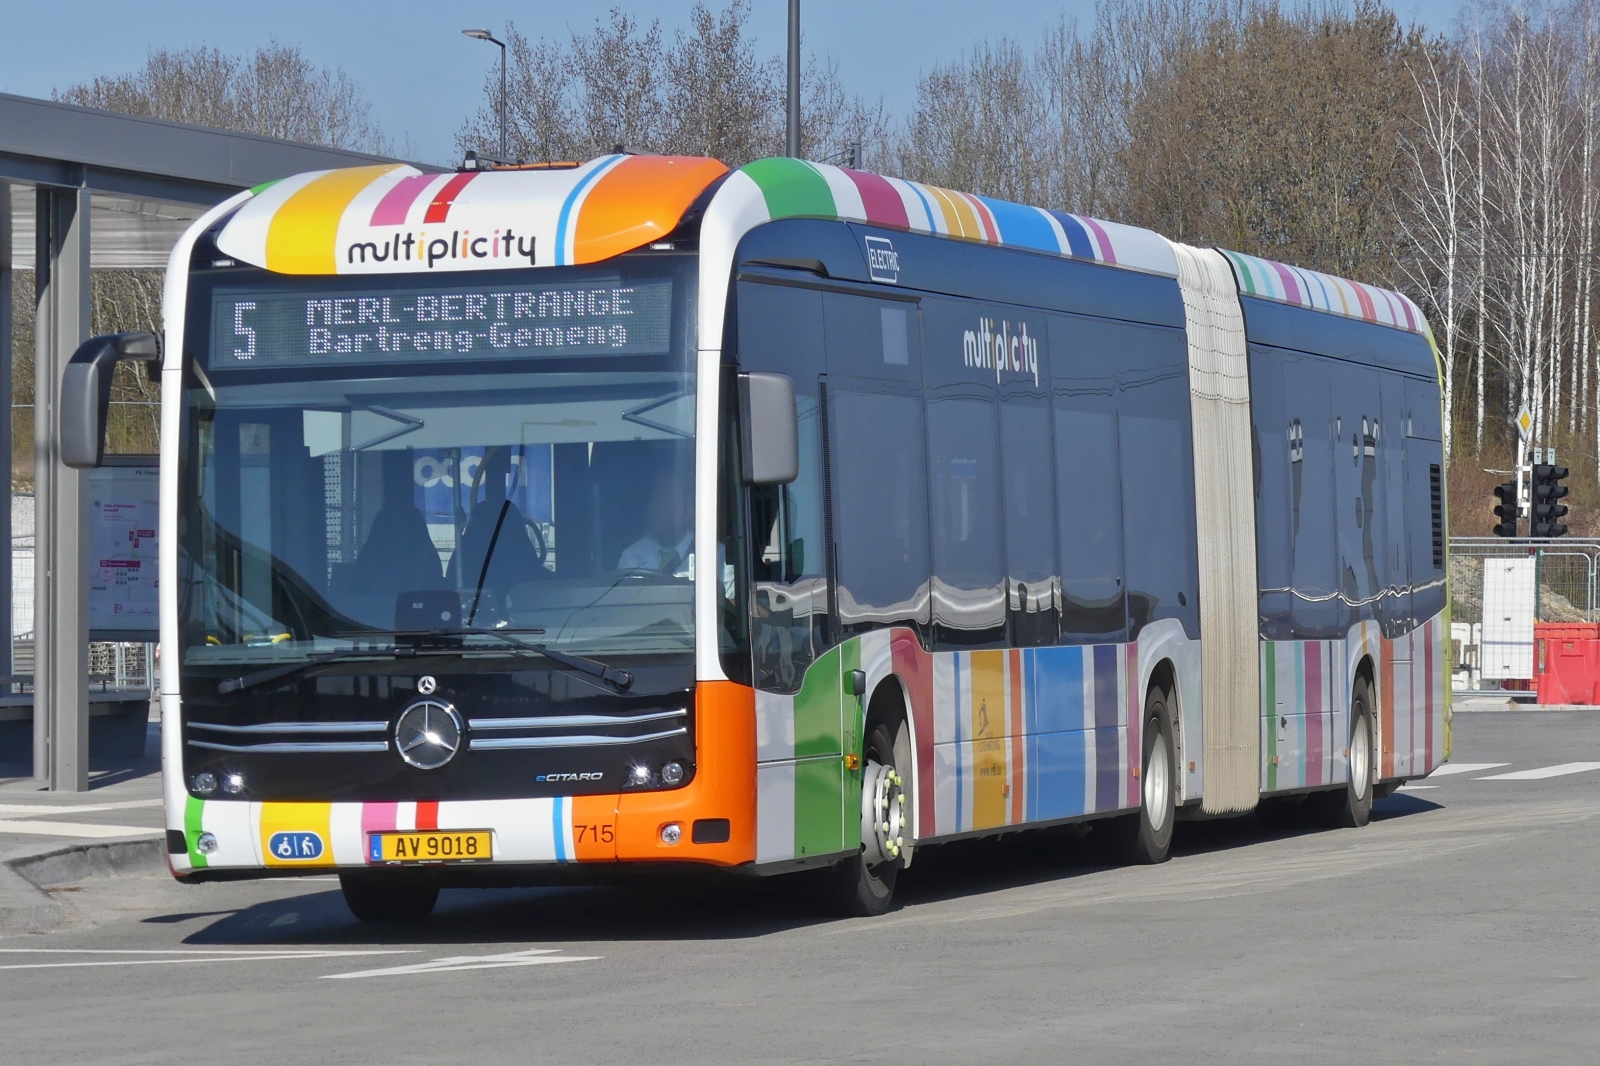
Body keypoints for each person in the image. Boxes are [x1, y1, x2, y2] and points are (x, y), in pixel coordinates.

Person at [617, 466, 695, 577]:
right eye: (657, 500)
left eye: (670, 501)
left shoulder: (712, 555)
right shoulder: (632, 557)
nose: (662, 509)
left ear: (687, 509)